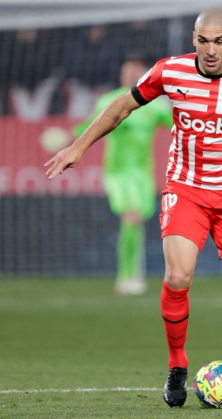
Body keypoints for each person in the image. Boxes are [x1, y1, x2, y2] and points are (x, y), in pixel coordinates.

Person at [45, 8, 222, 407]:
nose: (211, 49)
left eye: (219, 41)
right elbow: (122, 106)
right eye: (204, 41)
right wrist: (79, 146)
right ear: (193, 40)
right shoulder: (171, 71)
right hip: (187, 190)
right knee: (178, 276)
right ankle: (177, 366)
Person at [73, 55, 173, 295]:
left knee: (136, 221)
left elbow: (177, 127)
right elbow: (88, 128)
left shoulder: (156, 105)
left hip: (142, 173)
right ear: (121, 75)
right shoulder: (109, 102)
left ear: (143, 74)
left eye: (135, 71)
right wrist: (69, 139)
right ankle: (125, 276)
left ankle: (133, 274)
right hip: (117, 173)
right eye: (126, 70)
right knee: (131, 217)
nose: (130, 75)